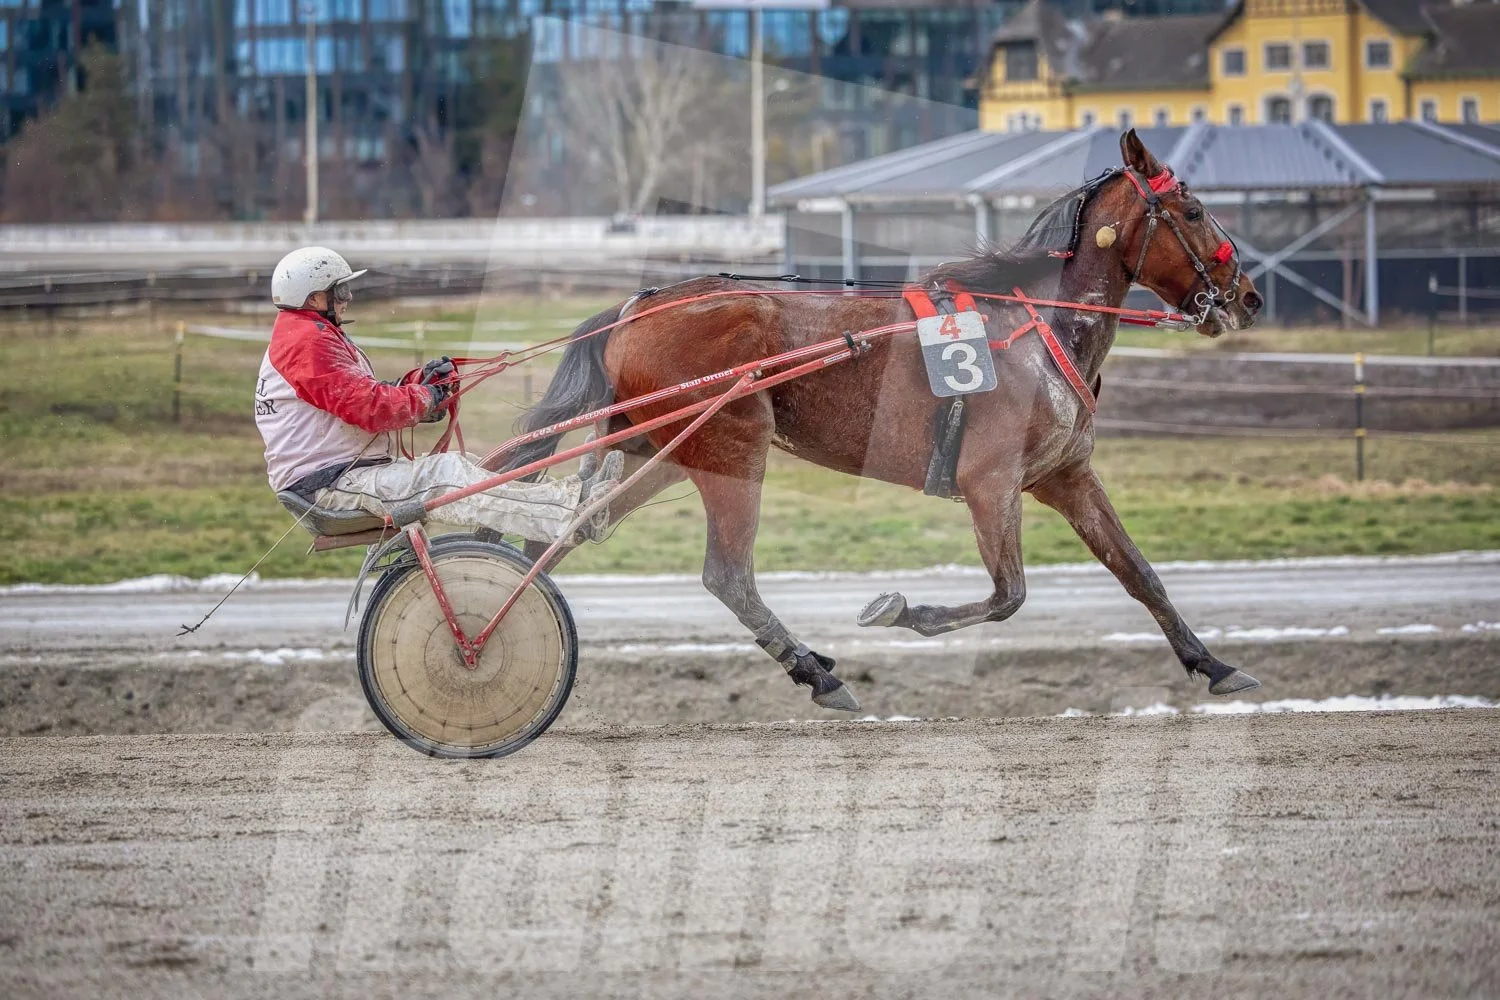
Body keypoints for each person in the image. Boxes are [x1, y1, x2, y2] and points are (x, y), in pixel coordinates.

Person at [254, 246, 620, 543]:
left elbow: (357, 395)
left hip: (335, 475)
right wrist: (426, 397)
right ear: (315, 297)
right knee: (449, 476)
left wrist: (420, 382)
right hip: (330, 485)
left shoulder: (307, 333)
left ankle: (573, 498)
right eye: (341, 291)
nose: (347, 299)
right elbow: (366, 408)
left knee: (471, 467)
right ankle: (576, 514)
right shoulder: (307, 342)